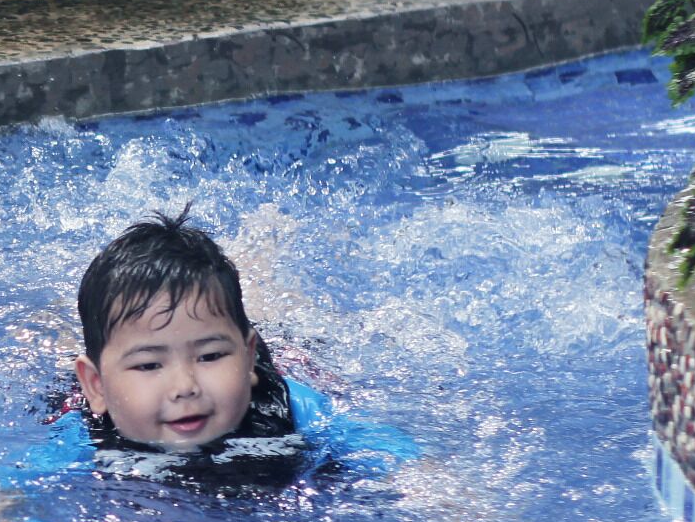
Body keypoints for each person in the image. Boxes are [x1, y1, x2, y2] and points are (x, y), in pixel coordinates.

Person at [33, 206, 416, 484]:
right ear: (97, 387)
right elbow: (5, 492)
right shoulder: (83, 432)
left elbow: (397, 457)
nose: (185, 387)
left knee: (266, 325)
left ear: (249, 358)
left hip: (279, 358)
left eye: (210, 357)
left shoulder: (294, 405)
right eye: (149, 365)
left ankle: (255, 264)